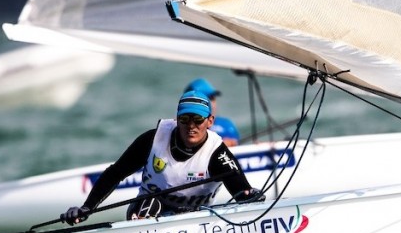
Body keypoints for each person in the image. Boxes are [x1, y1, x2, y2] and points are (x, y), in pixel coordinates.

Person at [60, 90, 264, 225]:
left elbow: (241, 192)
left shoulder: (217, 153)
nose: (191, 126)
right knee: (150, 204)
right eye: (185, 119)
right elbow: (116, 173)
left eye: (198, 120)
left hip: (196, 221)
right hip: (147, 212)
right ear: (177, 119)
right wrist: (87, 207)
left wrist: (250, 196)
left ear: (209, 121)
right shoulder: (153, 139)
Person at [184, 78, 240, 146]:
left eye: (213, 98)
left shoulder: (227, 125)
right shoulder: (178, 127)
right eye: (207, 98)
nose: (212, 104)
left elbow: (236, 145)